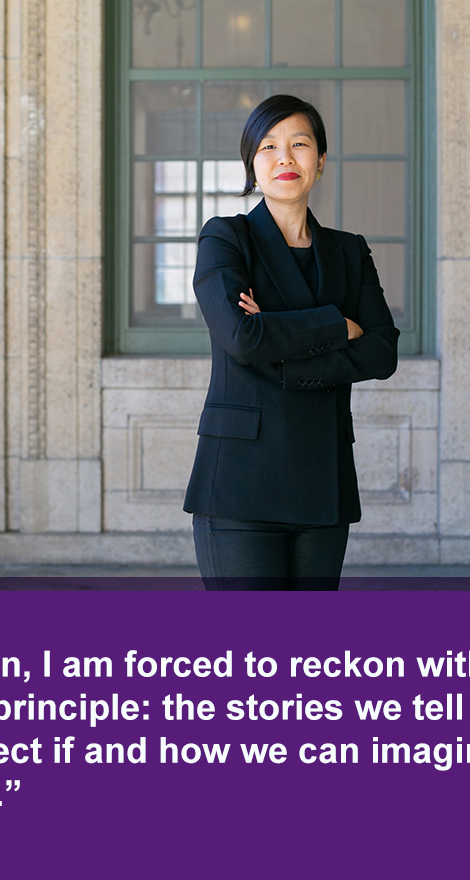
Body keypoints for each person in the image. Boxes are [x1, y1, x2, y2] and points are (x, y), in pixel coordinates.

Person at [183, 94, 399, 591]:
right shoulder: (225, 239)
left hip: (322, 475)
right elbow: (242, 336)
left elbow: (383, 351)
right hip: (238, 484)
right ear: (251, 165)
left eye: (299, 144)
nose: (285, 158)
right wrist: (337, 325)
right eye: (268, 146)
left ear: (320, 161)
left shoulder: (348, 250)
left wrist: (281, 349)